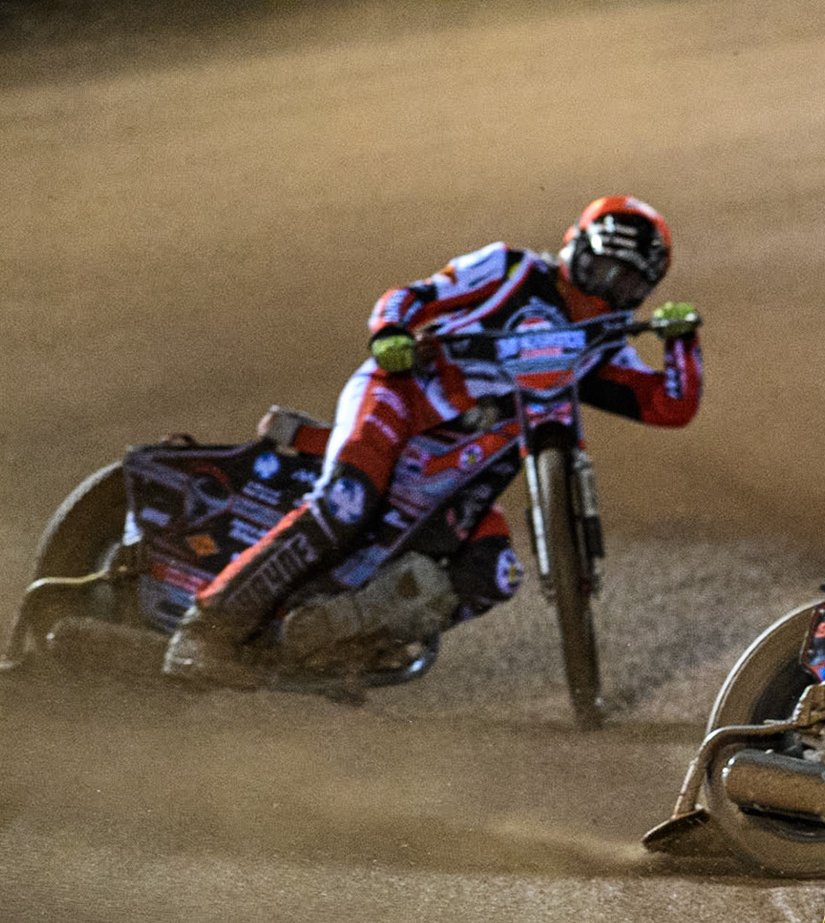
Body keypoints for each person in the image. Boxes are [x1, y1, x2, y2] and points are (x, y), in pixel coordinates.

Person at [163, 195, 704, 685]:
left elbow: (671, 406)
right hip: (401, 397)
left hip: (462, 471)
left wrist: (683, 344)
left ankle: (338, 644)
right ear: (575, 247)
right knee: (345, 503)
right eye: (603, 267)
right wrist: (389, 336)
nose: (610, 287)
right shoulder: (508, 267)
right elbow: (413, 296)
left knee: (493, 573)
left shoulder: (603, 343)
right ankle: (206, 628)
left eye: (629, 282)